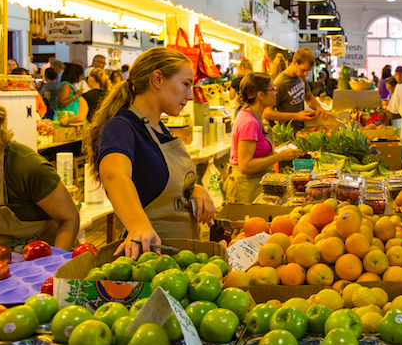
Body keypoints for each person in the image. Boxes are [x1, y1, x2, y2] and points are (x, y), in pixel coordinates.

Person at [85, 47, 216, 258]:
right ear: (157, 79)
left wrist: (195, 189)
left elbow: (159, 181)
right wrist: (138, 226)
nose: (190, 96)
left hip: (184, 256)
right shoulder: (121, 126)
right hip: (150, 258)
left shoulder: (161, 129)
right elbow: (115, 175)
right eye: (185, 84)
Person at [0, 91, 79, 250]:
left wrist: (55, 267)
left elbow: (69, 218)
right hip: (0, 263)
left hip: (47, 259)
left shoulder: (26, 167)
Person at [228, 73, 303, 203]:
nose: (275, 93)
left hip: (254, 183)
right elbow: (245, 166)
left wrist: (280, 151)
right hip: (247, 187)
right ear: (260, 95)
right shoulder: (249, 122)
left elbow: (256, 152)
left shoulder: (253, 115)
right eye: (272, 89)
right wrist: (279, 157)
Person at [264, 48, 327, 131]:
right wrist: (296, 116)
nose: (305, 74)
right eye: (303, 70)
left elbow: (308, 97)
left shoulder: (300, 76)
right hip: (287, 134)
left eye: (308, 71)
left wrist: (318, 107)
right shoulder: (280, 83)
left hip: (301, 131)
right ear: (294, 62)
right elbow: (267, 113)